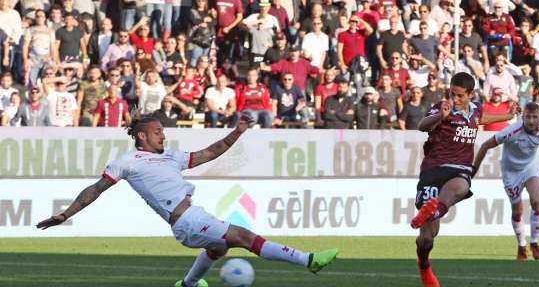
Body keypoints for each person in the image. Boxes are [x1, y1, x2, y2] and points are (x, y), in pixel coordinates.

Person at [36, 114, 338, 287]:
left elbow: (209, 152)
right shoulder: (126, 162)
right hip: (185, 221)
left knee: (219, 248)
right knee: (244, 237)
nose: (162, 136)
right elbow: (95, 189)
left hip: (193, 215)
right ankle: (308, 261)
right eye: (156, 132)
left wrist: (238, 132)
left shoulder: (171, 156)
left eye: (162, 132)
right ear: (140, 136)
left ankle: (189, 284)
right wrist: (65, 214)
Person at [410, 72, 519, 287]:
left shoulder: (476, 110)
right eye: (453, 94)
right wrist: (439, 117)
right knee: (427, 238)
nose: (455, 99)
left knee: (461, 185)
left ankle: (435, 209)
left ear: (471, 94)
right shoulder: (443, 107)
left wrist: (507, 116)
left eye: (460, 96)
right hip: (433, 169)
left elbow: (480, 119)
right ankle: (423, 263)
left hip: (459, 168)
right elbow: (422, 126)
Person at [473, 102, 539, 261]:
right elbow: (484, 145)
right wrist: (474, 168)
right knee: (517, 211)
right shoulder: (511, 131)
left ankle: (534, 243)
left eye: (534, 117)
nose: (531, 121)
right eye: (528, 117)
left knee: (536, 201)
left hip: (531, 167)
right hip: (511, 172)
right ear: (522, 117)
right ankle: (522, 245)